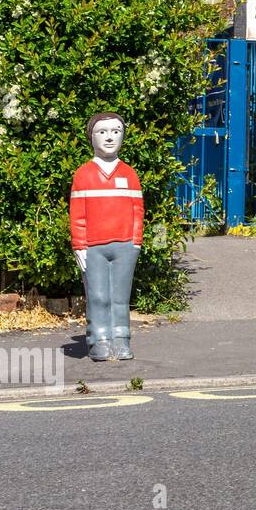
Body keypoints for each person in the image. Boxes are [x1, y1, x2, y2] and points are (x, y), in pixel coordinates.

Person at [69, 112, 144, 361]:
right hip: (93, 248)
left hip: (124, 245)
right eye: (102, 132)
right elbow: (78, 214)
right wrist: (79, 245)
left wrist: (136, 241)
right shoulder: (84, 174)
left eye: (115, 131)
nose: (109, 137)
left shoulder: (130, 174)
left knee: (121, 297)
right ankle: (99, 339)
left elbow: (137, 212)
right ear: (92, 137)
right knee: (98, 295)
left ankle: (121, 339)